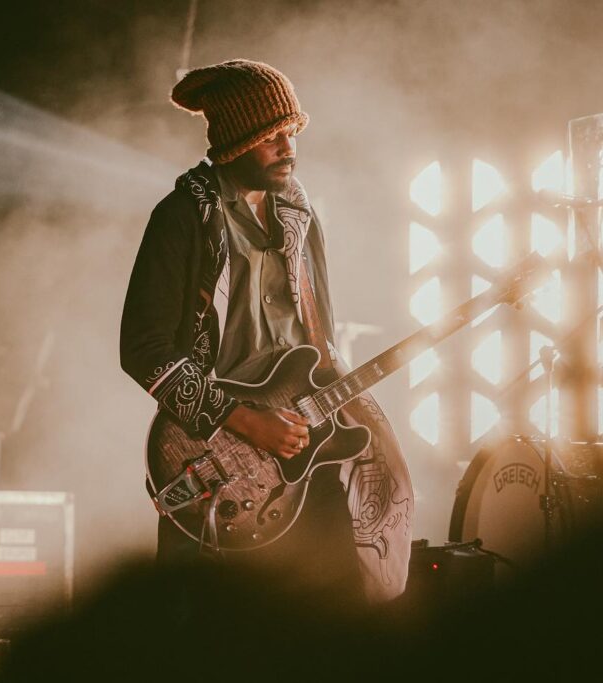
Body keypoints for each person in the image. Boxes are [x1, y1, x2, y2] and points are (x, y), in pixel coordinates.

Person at [120, 59, 413, 603]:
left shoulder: (300, 217)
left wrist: (348, 400)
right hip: (212, 454)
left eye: (291, 132)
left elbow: (317, 340)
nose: (288, 147)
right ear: (233, 142)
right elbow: (143, 349)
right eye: (270, 136)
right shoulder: (183, 217)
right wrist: (243, 420)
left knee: (333, 618)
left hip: (300, 448)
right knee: (209, 635)